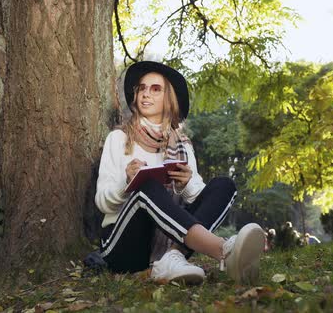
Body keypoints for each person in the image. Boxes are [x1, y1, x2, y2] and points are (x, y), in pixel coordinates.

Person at [94, 61, 265, 285]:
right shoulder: (118, 139)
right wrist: (127, 182)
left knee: (224, 186)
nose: (146, 94)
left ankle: (172, 258)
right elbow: (102, 203)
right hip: (123, 247)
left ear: (169, 98)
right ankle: (223, 250)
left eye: (155, 89)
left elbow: (202, 203)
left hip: (169, 239)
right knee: (146, 184)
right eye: (141, 88)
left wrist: (187, 185)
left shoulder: (182, 146)